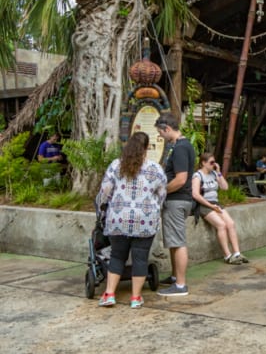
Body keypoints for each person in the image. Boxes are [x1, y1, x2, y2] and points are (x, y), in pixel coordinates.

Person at [95, 132, 167, 308]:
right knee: (140, 258)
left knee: (117, 256)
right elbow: (162, 194)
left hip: (119, 218)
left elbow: (105, 192)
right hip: (145, 220)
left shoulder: (116, 166)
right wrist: (153, 207)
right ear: (146, 148)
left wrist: (101, 208)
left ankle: (110, 294)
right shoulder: (155, 169)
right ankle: (135, 298)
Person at [155, 113, 196, 297]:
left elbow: (180, 179)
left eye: (160, 133)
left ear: (167, 129)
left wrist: (161, 191)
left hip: (177, 199)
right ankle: (174, 276)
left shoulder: (180, 148)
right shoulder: (182, 146)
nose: (160, 137)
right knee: (173, 240)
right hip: (179, 200)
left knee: (178, 241)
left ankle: (180, 285)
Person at [192, 153, 248, 265]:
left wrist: (218, 172)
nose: (213, 164)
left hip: (216, 203)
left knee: (230, 223)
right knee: (221, 225)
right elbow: (195, 194)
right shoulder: (198, 176)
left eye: (214, 162)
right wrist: (210, 206)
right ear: (203, 163)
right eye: (211, 162)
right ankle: (227, 255)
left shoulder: (214, 174)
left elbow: (225, 187)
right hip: (204, 204)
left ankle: (237, 253)